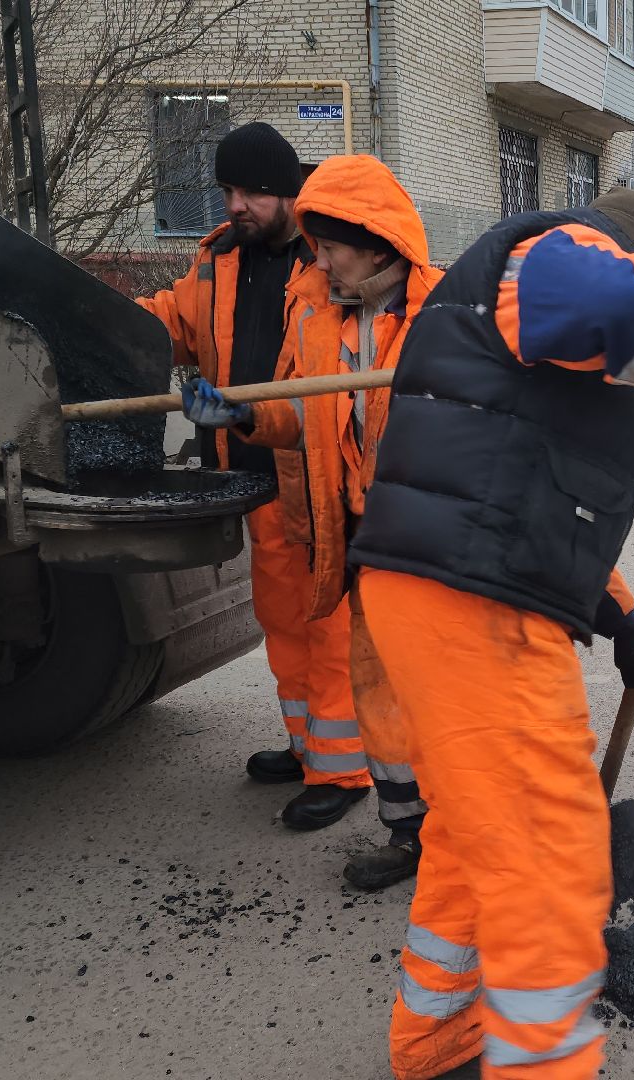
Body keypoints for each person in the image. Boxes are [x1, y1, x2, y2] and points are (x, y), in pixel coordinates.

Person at [349, 190, 634, 1080]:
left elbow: (530, 496)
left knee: (472, 837)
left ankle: (439, 1042)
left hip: (447, 591)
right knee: (547, 861)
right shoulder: (557, 255)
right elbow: (615, 303)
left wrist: (621, 616)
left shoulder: (526, 328)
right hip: (470, 608)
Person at [179, 154, 442, 889]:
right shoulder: (322, 314)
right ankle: (411, 835)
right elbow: (302, 412)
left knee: (444, 699)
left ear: (376, 236)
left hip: (434, 549)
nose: (317, 259)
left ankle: (475, 837)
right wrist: (244, 414)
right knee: (379, 695)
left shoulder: (444, 319)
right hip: (361, 541)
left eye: (330, 246)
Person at [137, 123, 372, 831]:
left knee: (327, 626)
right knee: (282, 622)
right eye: (229, 190)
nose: (237, 205)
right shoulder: (217, 263)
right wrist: (97, 323)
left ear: (287, 192)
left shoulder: (328, 259)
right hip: (251, 473)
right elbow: (168, 324)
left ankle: (345, 768)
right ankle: (309, 750)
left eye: (253, 192)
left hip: (315, 475)